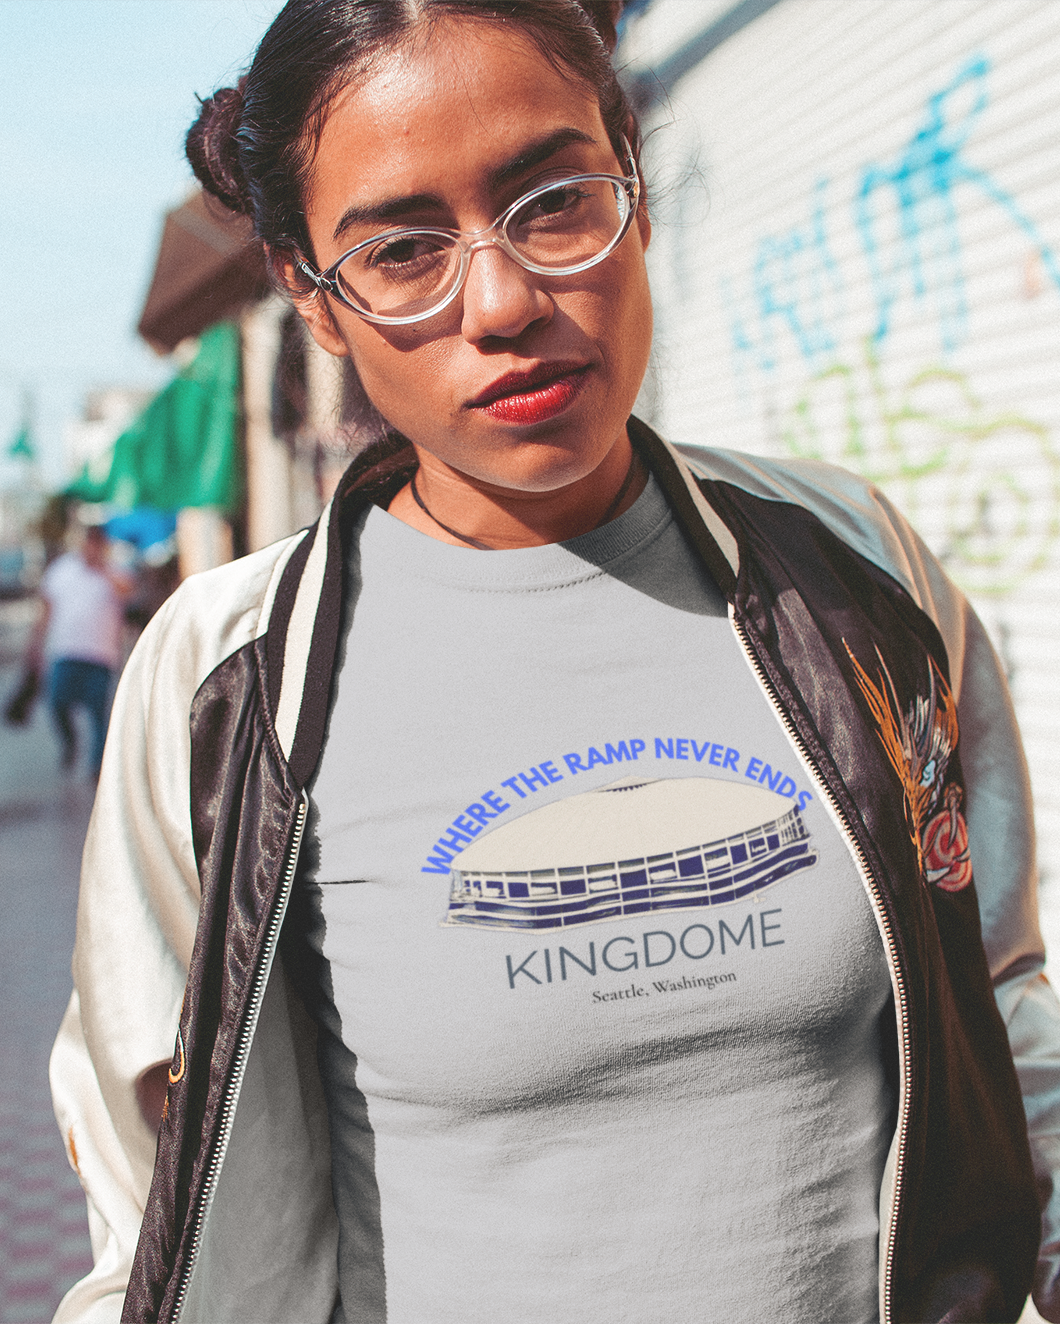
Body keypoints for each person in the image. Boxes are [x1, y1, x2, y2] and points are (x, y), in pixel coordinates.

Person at [49, 3, 1060, 1322]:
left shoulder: (854, 567)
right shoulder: (231, 679)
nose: (509, 300)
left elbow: (998, 1004)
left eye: (555, 201)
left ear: (633, 181)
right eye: (404, 249)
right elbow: (157, 1216)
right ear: (312, 294)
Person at [29, 524, 127, 777]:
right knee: (57, 703)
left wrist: (104, 570)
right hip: (65, 651)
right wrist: (35, 645)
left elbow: (129, 594)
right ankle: (70, 742)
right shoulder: (61, 570)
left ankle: (97, 768)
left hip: (101, 655)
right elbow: (45, 609)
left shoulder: (115, 572)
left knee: (98, 715)